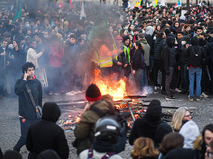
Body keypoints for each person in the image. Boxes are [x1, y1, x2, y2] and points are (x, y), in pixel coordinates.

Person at [74, 84, 117, 155]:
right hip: (111, 144)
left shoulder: (88, 115)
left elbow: (79, 134)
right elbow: (108, 96)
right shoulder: (109, 104)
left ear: (87, 98)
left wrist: (84, 112)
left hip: (96, 147)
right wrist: (97, 98)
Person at [13, 62, 42, 152]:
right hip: (25, 114)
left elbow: (40, 98)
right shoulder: (20, 82)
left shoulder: (37, 82)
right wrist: (24, 80)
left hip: (35, 114)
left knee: (36, 135)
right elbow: (17, 91)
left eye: (32, 70)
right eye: (29, 70)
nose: (31, 72)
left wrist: (41, 112)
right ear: (25, 72)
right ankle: (15, 150)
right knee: (25, 137)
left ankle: (34, 152)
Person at [185, 36, 206, 101]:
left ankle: (191, 96)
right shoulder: (201, 48)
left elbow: (186, 56)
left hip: (191, 66)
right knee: (198, 81)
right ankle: (198, 96)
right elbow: (204, 57)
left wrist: (188, 64)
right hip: (199, 66)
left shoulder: (190, 48)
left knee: (191, 81)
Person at [162, 35, 176, 100]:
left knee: (169, 81)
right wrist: (166, 69)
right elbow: (165, 59)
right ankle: (168, 94)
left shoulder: (171, 47)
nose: (173, 42)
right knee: (168, 81)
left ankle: (169, 93)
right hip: (169, 66)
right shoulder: (167, 48)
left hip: (172, 65)